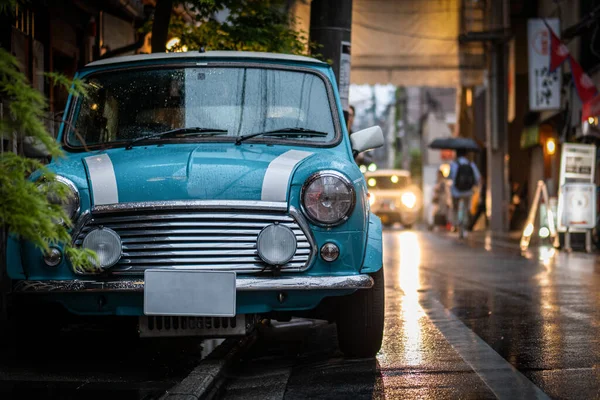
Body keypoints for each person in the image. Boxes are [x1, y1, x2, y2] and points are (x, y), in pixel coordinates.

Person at [448, 149, 481, 238]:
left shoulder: (453, 164)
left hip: (456, 192)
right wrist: (475, 186)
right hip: (468, 191)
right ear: (466, 155)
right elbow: (477, 177)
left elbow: (450, 177)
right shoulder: (471, 164)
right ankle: (465, 223)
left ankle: (456, 224)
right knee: (466, 208)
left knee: (455, 208)